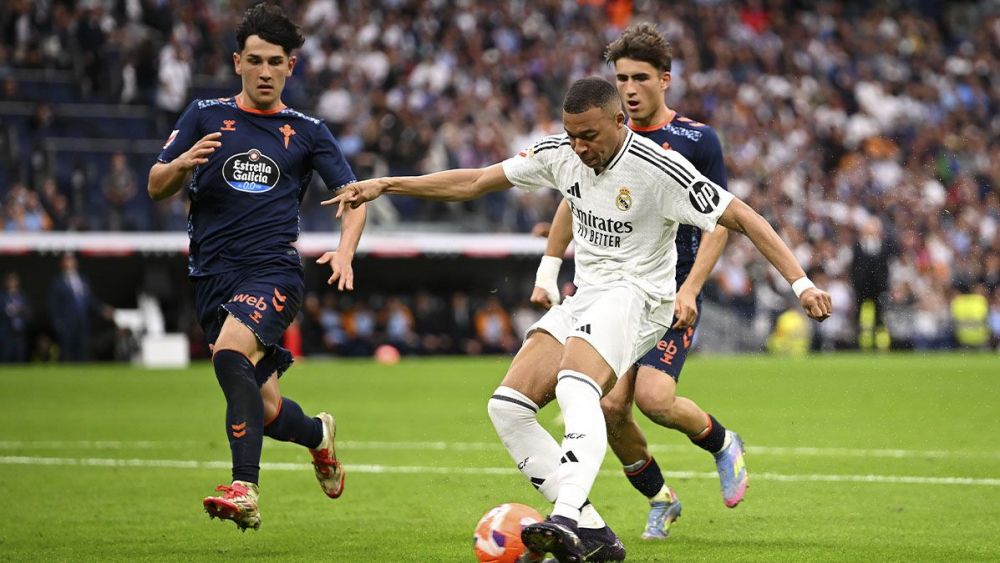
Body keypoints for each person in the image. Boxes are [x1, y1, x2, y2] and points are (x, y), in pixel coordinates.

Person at [328, 77, 833, 561]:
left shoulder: (661, 169)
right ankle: (593, 530)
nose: (579, 146)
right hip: (587, 296)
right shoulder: (560, 153)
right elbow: (476, 181)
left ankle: (566, 516)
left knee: (578, 385)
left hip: (640, 298)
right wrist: (387, 184)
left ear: (619, 121)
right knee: (507, 407)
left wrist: (801, 284)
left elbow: (742, 217)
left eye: (589, 135)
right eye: (571, 134)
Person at [146, 3, 367, 532]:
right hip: (211, 277)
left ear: (291, 65)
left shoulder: (307, 131)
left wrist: (345, 250)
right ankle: (317, 436)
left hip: (272, 271)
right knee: (264, 409)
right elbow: (155, 184)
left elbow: (354, 197)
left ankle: (244, 487)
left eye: (275, 61)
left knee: (228, 354)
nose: (265, 71)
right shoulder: (203, 115)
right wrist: (181, 164)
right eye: (255, 60)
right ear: (237, 63)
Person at [529, 23, 745, 541]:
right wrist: (550, 265)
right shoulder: (599, 137)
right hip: (612, 290)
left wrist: (691, 290)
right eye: (621, 78)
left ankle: (721, 442)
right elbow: (571, 199)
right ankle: (660, 499)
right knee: (609, 407)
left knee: (655, 398)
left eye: (640, 78)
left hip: (668, 289)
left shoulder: (696, 140)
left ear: (664, 80)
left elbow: (721, 222)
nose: (629, 88)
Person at [48, 253, 114, 362]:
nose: (70, 263)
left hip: (82, 322)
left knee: (83, 352)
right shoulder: (57, 282)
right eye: (67, 260)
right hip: (67, 324)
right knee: (67, 353)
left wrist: (102, 308)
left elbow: (89, 299)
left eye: (72, 260)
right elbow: (53, 305)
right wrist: (57, 323)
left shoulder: (83, 280)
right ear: (62, 264)